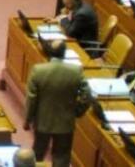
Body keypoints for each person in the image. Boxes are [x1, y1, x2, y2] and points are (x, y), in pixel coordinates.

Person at [25, 39, 90, 167]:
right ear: (64, 53)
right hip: (65, 123)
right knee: (62, 157)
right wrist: (77, 111)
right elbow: (87, 95)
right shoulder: (76, 71)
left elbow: (32, 99)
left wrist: (28, 119)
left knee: (37, 156)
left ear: (49, 53)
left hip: (43, 122)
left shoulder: (38, 70)